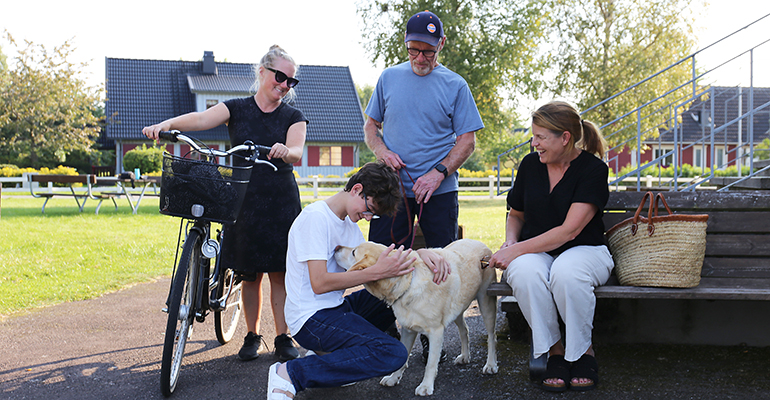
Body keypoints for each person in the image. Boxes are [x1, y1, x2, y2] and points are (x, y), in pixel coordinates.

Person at [143, 45, 305, 362]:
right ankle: (251, 335)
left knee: (278, 274)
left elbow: (298, 150)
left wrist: (286, 151)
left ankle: (283, 337)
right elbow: (201, 118)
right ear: (263, 72)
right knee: (249, 274)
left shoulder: (293, 116)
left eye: (291, 81)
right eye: (281, 76)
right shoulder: (236, 108)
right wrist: (164, 125)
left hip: (279, 199)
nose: (285, 85)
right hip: (243, 198)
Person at [266, 162, 449, 399]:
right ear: (356, 189)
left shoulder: (350, 226)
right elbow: (319, 283)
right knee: (393, 355)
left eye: (373, 214)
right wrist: (376, 273)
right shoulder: (316, 218)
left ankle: (326, 356)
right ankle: (291, 373)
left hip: (336, 309)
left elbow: (381, 261)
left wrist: (420, 255)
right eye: (369, 208)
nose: (368, 217)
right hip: (310, 318)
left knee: (398, 294)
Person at [363, 9, 484, 361]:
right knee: (382, 259)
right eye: (413, 50)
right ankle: (382, 333)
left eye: (428, 51)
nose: (420, 58)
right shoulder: (388, 78)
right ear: (405, 45)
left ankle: (432, 335)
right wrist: (383, 151)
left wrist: (439, 171)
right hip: (393, 188)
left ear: (441, 45)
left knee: (440, 264)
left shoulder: (456, 85)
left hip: (439, 189)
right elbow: (371, 129)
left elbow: (467, 142)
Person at [488, 101, 614, 392]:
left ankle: (582, 351)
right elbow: (516, 213)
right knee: (524, 273)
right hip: (537, 250)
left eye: (541, 137)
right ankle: (555, 351)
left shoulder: (593, 169)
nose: (535, 144)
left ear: (565, 138)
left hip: (586, 250)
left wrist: (515, 250)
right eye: (534, 137)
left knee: (566, 272)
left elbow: (569, 231)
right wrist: (511, 240)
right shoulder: (531, 165)